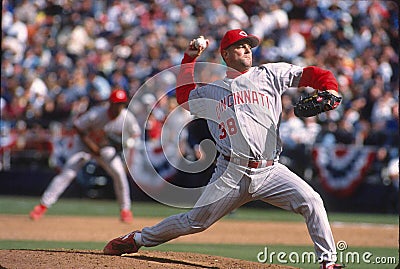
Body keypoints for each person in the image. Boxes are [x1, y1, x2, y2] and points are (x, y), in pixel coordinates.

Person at [103, 29, 344, 269]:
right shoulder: (213, 91)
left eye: (249, 45)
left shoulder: (270, 74)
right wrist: (189, 59)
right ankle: (137, 239)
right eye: (240, 45)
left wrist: (331, 89)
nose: (248, 49)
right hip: (231, 172)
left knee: (312, 201)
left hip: (270, 170)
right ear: (226, 54)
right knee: (193, 222)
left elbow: (315, 74)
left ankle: (328, 263)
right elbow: (184, 96)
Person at [29, 89, 141, 223]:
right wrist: (92, 147)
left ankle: (125, 210)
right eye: (116, 103)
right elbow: (78, 127)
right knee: (68, 173)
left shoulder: (126, 117)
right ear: (110, 103)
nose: (119, 106)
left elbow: (136, 134)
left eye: (121, 104)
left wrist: (127, 143)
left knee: (119, 173)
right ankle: (42, 206)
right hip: (84, 146)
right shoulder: (97, 114)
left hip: (104, 149)